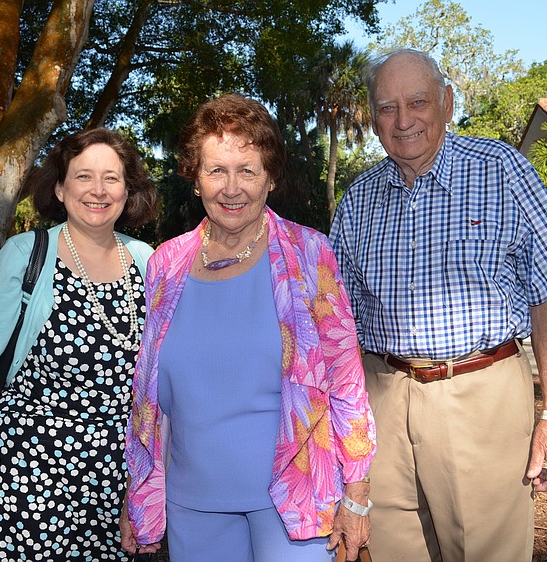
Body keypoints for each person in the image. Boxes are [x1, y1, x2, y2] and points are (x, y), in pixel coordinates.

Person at [329, 49, 547, 562]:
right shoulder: (357, 200)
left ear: (447, 103)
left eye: (418, 102)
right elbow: (339, 328)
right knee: (391, 550)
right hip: (383, 397)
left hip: (481, 394)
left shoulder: (502, 170)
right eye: (387, 108)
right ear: (374, 119)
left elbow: (545, 294)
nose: (403, 121)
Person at [121, 93, 376, 562]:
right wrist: (139, 492)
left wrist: (357, 492)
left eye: (248, 170)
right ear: (195, 178)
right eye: (216, 170)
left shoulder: (309, 254)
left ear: (270, 178)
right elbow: (149, 398)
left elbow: (346, 381)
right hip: (192, 505)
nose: (231, 188)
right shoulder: (166, 264)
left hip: (294, 503)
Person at [0, 128, 158, 561]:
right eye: (83, 176)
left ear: (127, 190)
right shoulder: (25, 255)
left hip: (117, 478)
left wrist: (147, 483)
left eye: (112, 178)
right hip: (30, 472)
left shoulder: (148, 261)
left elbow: (157, 383)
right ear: (60, 189)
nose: (98, 190)